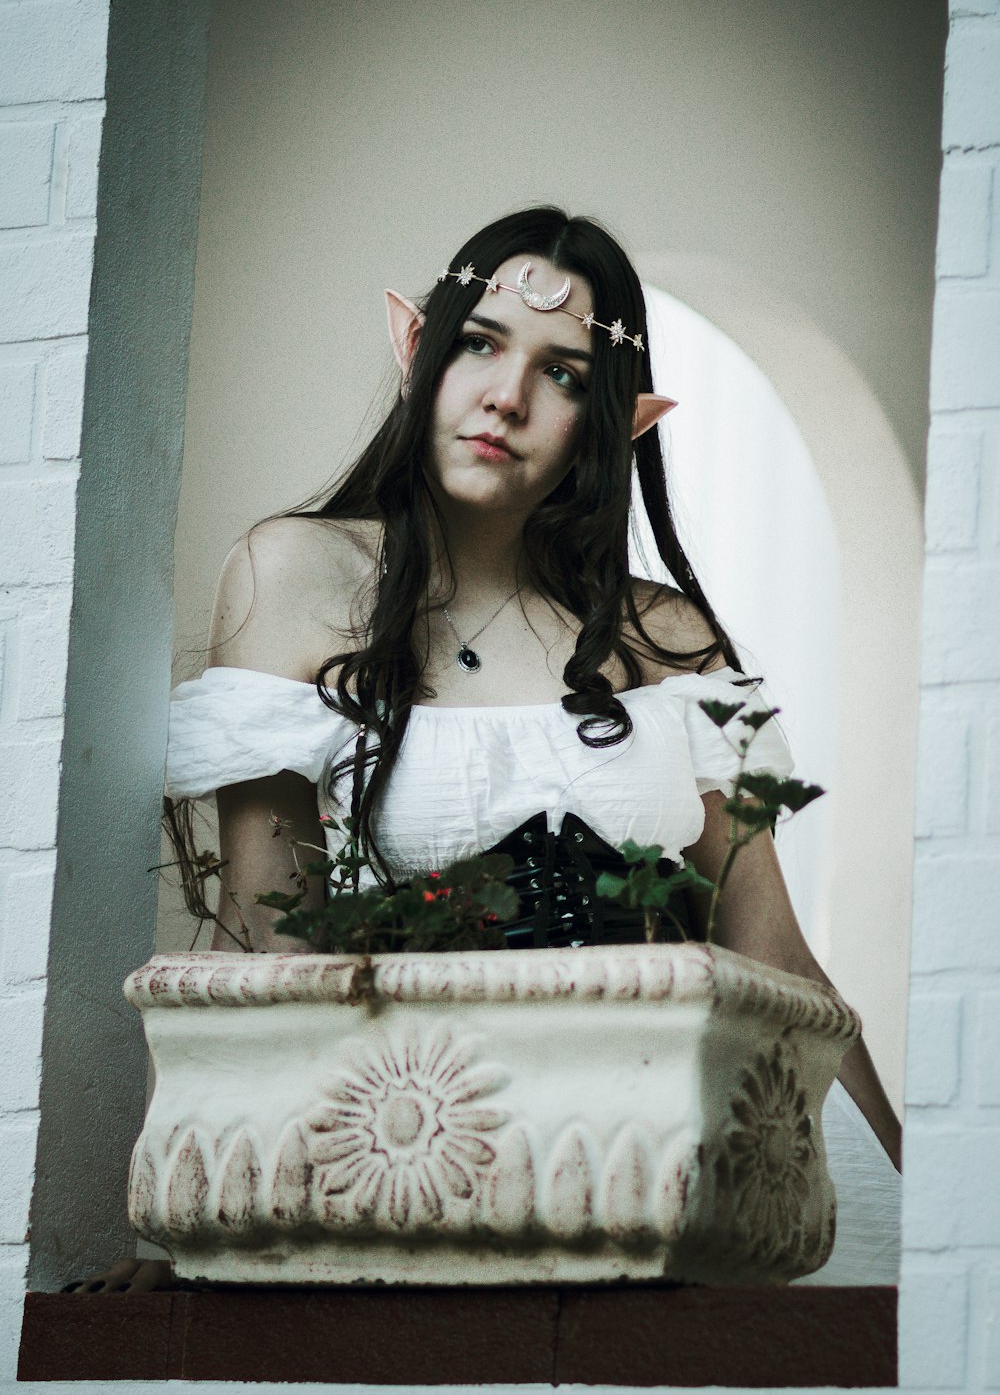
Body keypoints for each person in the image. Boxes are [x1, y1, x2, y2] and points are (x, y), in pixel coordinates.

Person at [68, 206, 900, 1294]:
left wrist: (938, 1190)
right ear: (421, 353)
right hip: (431, 1149)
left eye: (560, 374)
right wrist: (198, 1239)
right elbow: (269, 933)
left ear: (613, 426)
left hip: (694, 1161)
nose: (505, 395)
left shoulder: (672, 641)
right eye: (479, 343)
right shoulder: (294, 578)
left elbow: (772, 952)